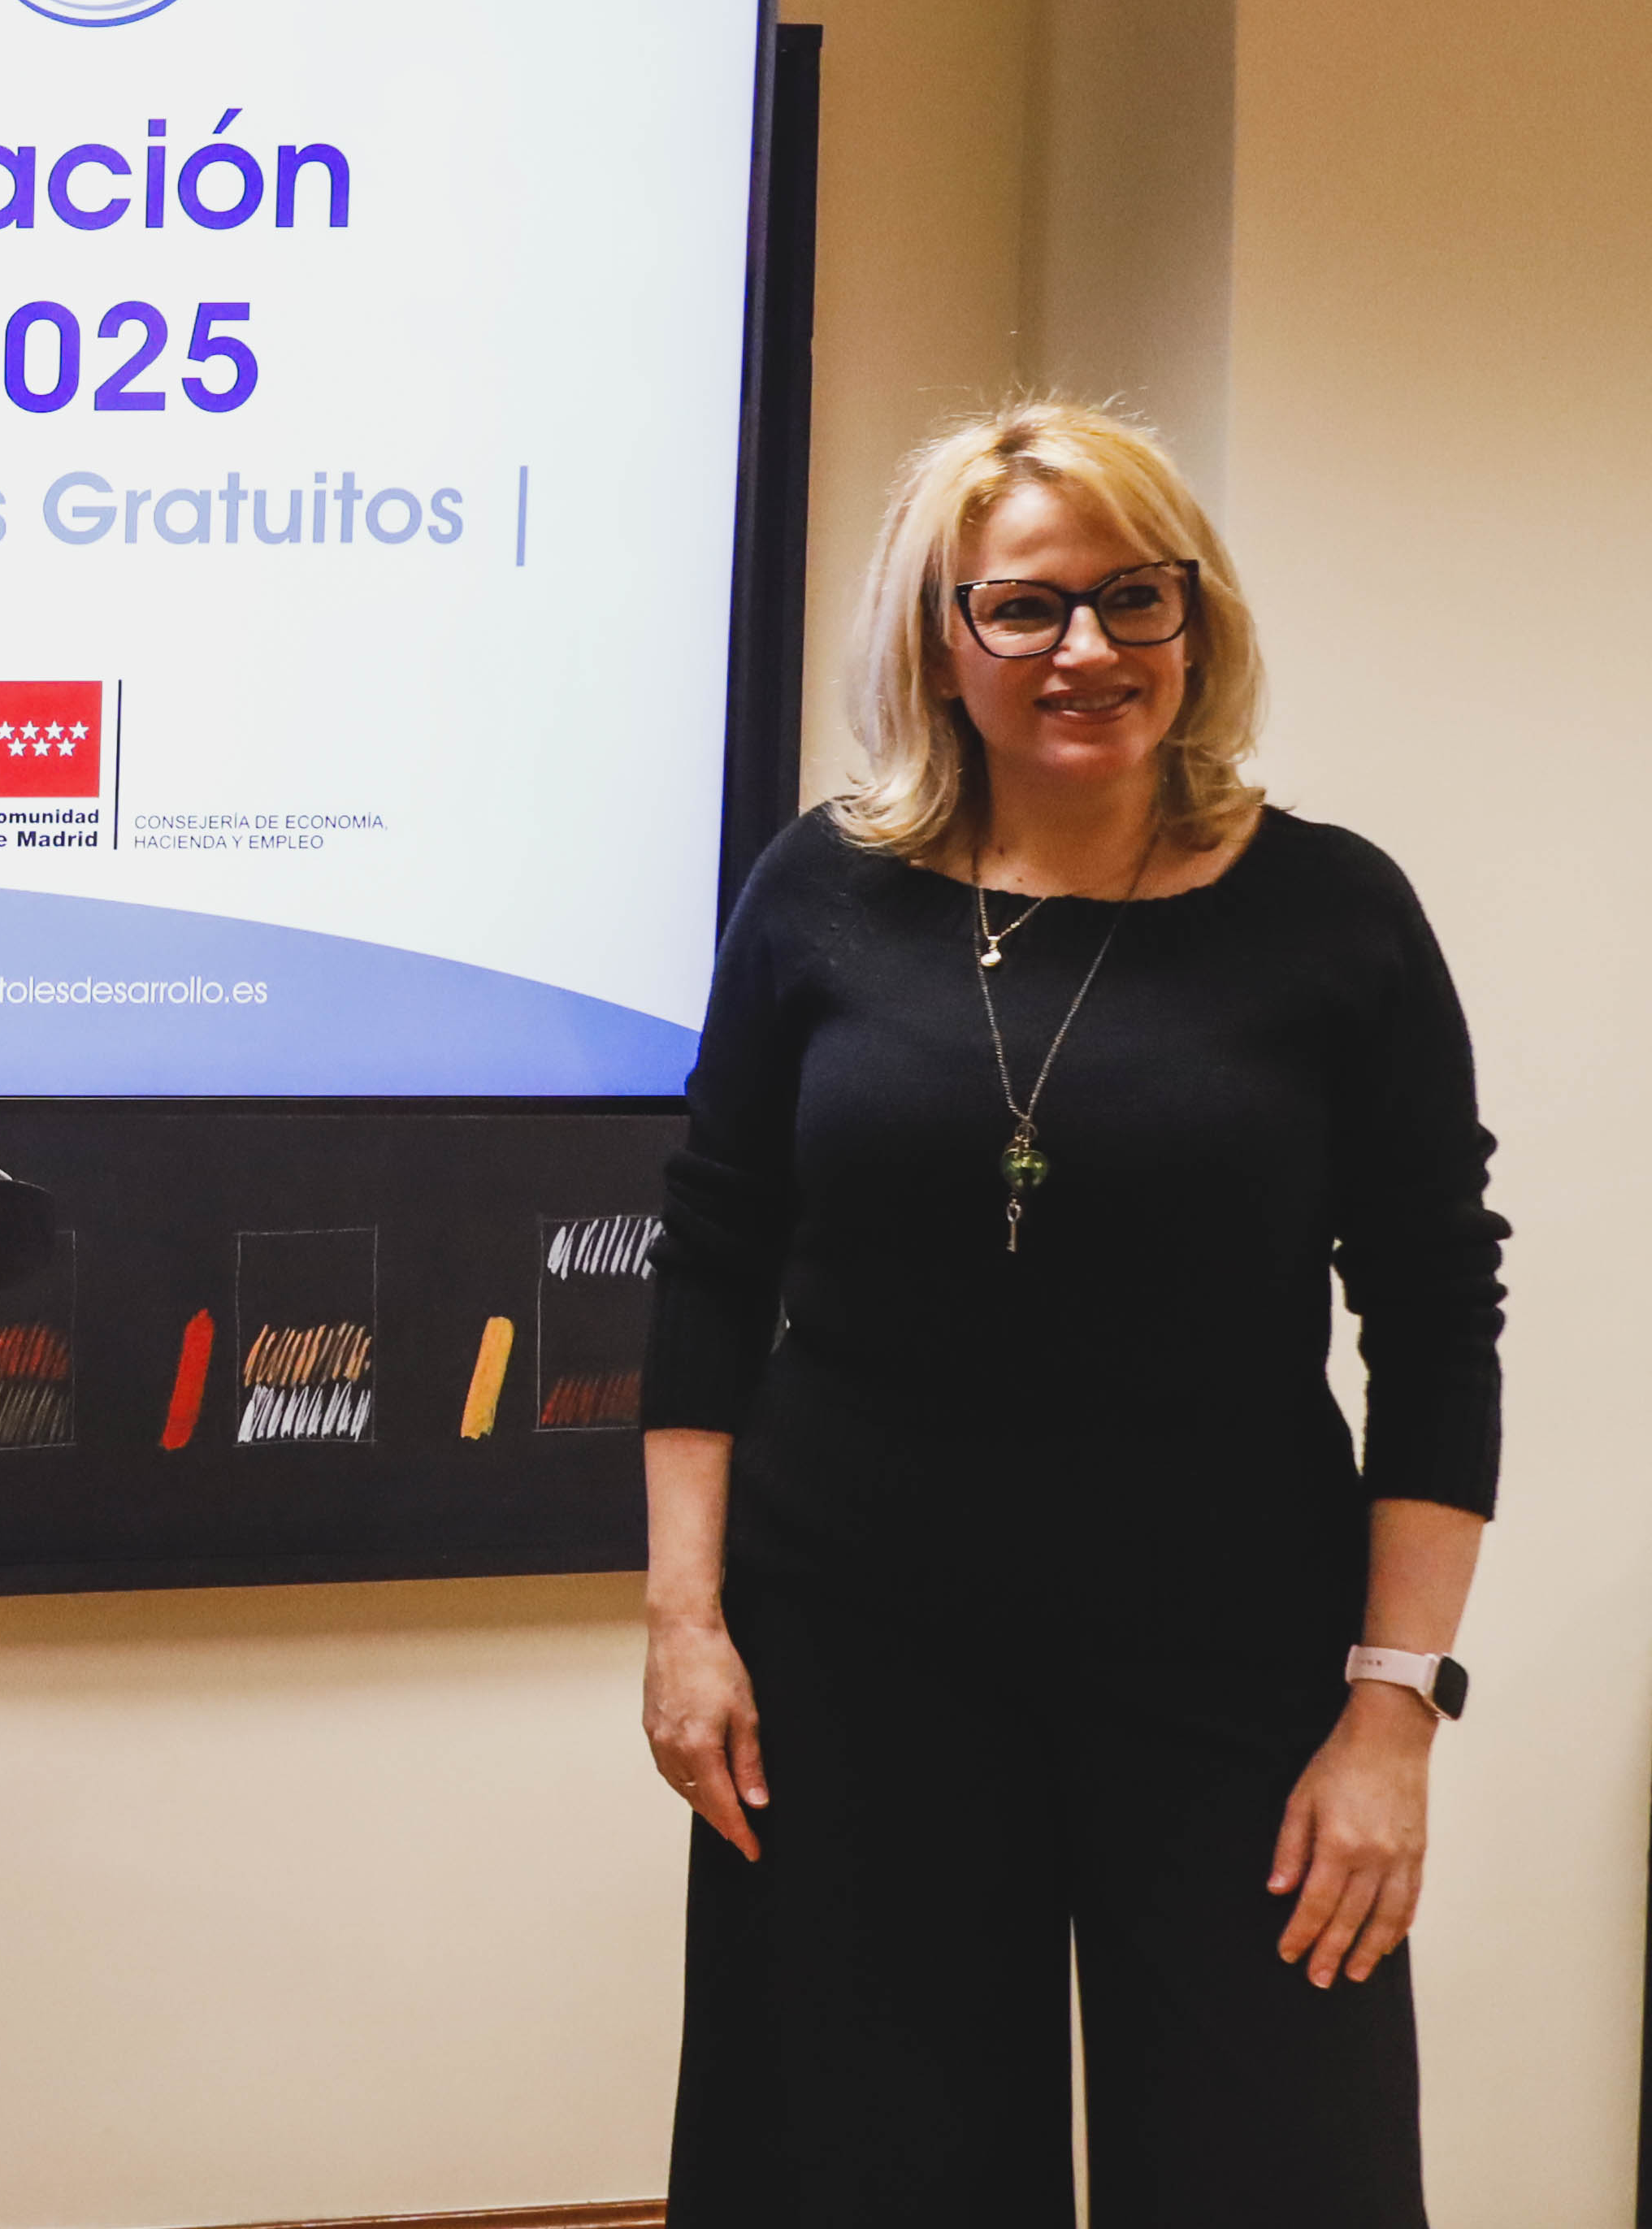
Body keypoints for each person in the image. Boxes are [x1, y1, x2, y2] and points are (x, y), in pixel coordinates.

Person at [643, 399, 1502, 2223]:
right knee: (865, 2170)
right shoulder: (820, 892)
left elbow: (1439, 1318)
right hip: (851, 1659)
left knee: (1282, 2168)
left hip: (1243, 1674)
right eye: (1024, 606)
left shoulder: (1336, 915)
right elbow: (714, 1250)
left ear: (1197, 616)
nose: (1087, 649)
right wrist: (684, 1621)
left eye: (1133, 597)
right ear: (941, 639)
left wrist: (1395, 1714)